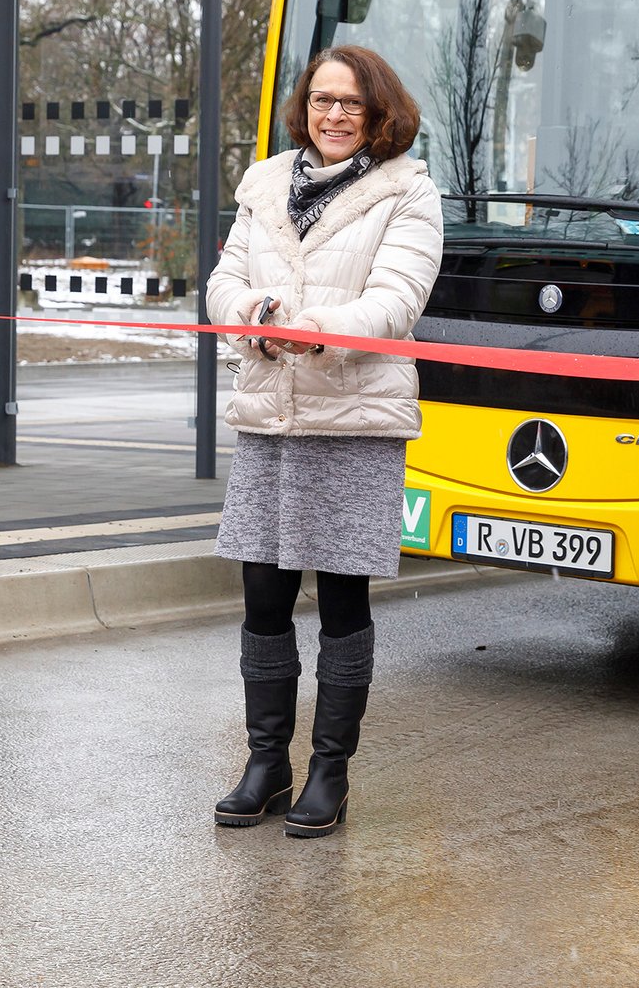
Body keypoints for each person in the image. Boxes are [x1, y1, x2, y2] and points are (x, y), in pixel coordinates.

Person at [207, 44, 443, 837]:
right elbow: (224, 284)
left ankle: (330, 770)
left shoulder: (407, 191)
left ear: (380, 114)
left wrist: (319, 330)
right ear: (303, 106)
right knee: (263, 599)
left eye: (350, 103)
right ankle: (266, 759)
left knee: (342, 604)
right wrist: (261, 319)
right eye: (320, 99)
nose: (333, 115)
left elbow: (397, 301)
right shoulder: (265, 183)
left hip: (355, 421)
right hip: (271, 415)